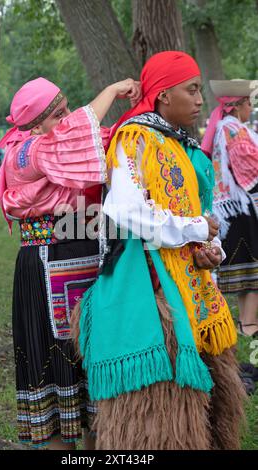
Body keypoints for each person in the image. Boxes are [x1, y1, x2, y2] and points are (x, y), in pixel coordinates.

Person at [72, 51, 246, 450]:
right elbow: (127, 211)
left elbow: (200, 211)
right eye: (192, 89)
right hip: (150, 285)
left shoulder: (182, 146)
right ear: (164, 94)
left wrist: (209, 246)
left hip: (192, 284)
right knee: (163, 408)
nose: (200, 99)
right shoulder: (135, 138)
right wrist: (194, 230)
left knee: (210, 404)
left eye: (200, 90)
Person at [0, 76, 141, 450]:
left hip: (83, 259)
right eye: (57, 114)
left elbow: (98, 140)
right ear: (32, 125)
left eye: (65, 110)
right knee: (55, 363)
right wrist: (111, 91)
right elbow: (75, 135)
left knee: (88, 366)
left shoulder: (50, 145)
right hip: (47, 264)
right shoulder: (24, 152)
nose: (66, 119)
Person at [202, 80, 258, 337]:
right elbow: (249, 168)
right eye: (249, 103)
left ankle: (245, 324)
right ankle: (248, 326)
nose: (251, 108)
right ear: (238, 106)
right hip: (238, 210)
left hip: (229, 208)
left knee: (246, 272)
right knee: (252, 272)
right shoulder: (233, 130)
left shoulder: (223, 127)